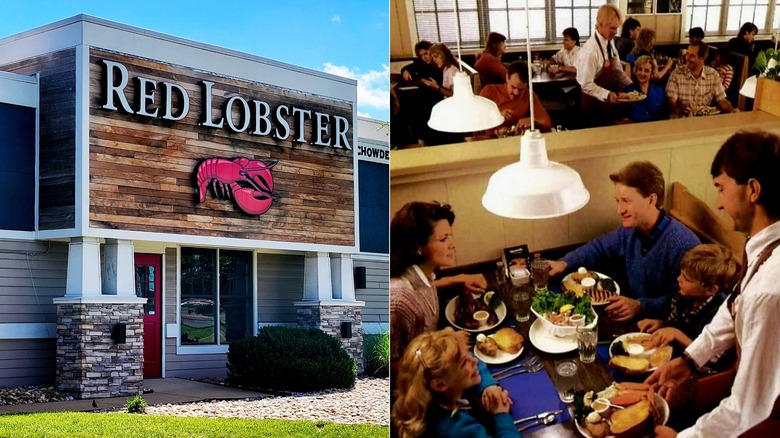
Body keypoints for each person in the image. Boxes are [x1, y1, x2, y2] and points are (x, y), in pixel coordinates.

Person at [649, 131, 780, 438]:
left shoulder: (769, 292)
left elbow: (749, 410)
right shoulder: (764, 249)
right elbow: (734, 305)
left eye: (721, 189)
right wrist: (690, 360)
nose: (718, 204)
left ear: (752, 190)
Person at [548, 161, 700, 322]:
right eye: (618, 201)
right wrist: (563, 263)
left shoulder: (683, 244)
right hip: (631, 313)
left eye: (626, 201)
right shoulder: (630, 231)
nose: (619, 210)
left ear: (651, 200)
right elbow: (599, 248)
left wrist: (640, 305)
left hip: (660, 325)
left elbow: (686, 300)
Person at [390, 202, 487, 368]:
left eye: (450, 236)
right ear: (418, 247)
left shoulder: (422, 274)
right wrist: (446, 345)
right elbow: (383, 366)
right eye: (443, 239)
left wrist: (460, 279)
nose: (452, 245)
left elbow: (423, 292)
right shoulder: (398, 299)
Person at [391, 328, 518, 438]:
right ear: (440, 385)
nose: (474, 360)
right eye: (464, 363)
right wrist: (501, 414)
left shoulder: (428, 392)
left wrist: (488, 386)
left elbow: (467, 358)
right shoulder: (455, 429)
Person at [638, 243, 739, 351]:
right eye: (681, 274)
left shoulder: (719, 314)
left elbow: (707, 353)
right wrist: (661, 324)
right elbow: (674, 320)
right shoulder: (685, 296)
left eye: (687, 279)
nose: (678, 279)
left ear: (710, 289)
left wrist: (676, 335)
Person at [575, 4, 633, 127]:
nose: (615, 32)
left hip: (607, 104)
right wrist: (607, 94)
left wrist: (632, 87)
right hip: (592, 105)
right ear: (600, 24)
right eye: (612, 28)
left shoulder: (610, 41)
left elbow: (617, 70)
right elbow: (586, 84)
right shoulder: (590, 51)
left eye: (616, 28)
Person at [478, 61, 553, 135]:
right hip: (491, 142)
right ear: (507, 77)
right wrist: (497, 116)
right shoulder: (489, 92)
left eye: (521, 89)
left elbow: (547, 123)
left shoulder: (528, 95)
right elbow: (476, 121)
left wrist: (533, 121)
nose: (516, 93)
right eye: (513, 87)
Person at [666, 41, 737, 118]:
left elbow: (722, 101)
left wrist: (732, 110)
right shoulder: (677, 73)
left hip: (704, 121)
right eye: (687, 54)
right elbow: (671, 101)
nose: (687, 58)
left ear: (703, 58)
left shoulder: (713, 74)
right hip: (681, 119)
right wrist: (679, 109)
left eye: (692, 56)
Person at [621, 55, 667, 122]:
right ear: (636, 71)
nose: (642, 73)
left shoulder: (660, 92)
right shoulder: (627, 91)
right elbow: (623, 117)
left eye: (646, 71)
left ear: (651, 73)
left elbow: (664, 117)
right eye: (640, 69)